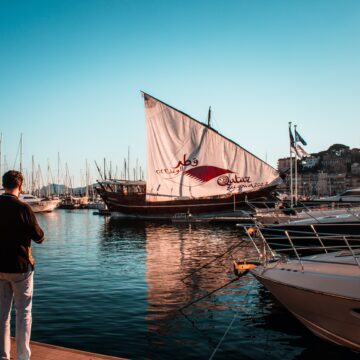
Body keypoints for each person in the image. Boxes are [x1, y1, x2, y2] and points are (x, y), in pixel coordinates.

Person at [0, 170, 44, 360]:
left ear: (3, 185)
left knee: (2, 315)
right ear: (20, 186)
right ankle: (23, 357)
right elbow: (39, 237)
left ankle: (3, 356)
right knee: (23, 313)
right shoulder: (23, 208)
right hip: (20, 268)